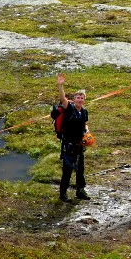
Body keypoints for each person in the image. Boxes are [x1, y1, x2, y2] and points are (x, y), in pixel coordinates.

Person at [57, 72, 90, 202]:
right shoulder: (69, 108)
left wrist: (87, 133)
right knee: (68, 170)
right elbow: (63, 99)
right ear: (74, 99)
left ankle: (80, 191)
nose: (79, 100)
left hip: (80, 145)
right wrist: (60, 86)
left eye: (82, 98)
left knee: (80, 169)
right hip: (69, 145)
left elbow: (85, 124)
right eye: (77, 98)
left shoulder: (84, 111)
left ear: (84, 100)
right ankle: (63, 194)